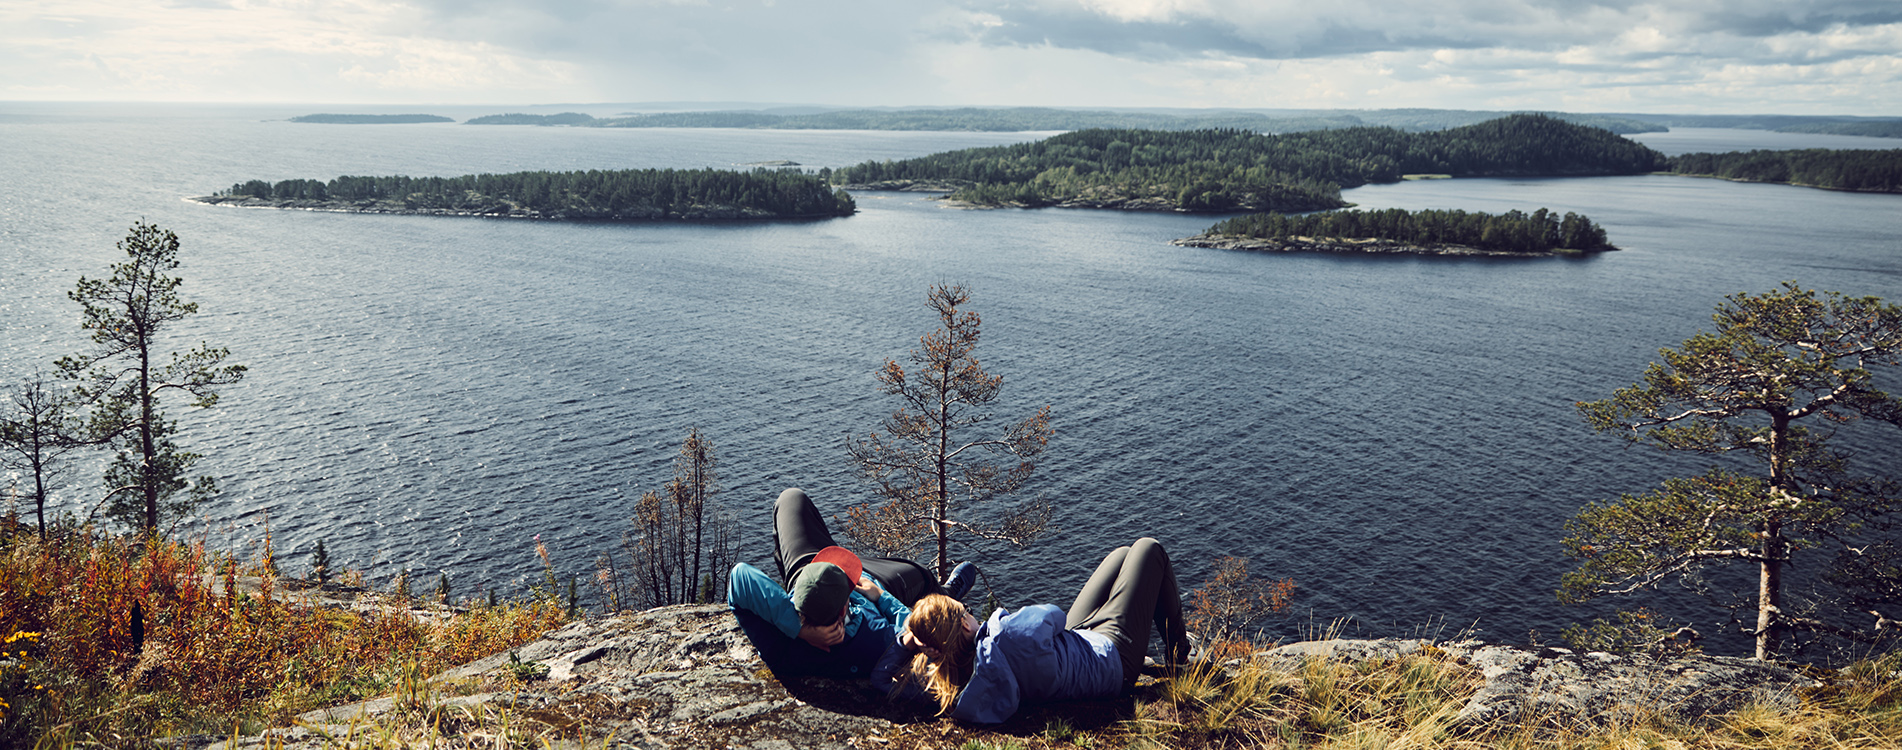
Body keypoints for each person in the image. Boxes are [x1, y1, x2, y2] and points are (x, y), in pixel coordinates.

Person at [885, 537, 1190, 723]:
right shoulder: (1007, 633)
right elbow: (1054, 617)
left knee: (1122, 556)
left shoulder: (947, 687)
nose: (970, 613)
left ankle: (1176, 651)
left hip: (1074, 650)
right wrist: (999, 622)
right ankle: (1180, 655)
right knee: (1148, 550)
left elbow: (880, 679)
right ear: (965, 622)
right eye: (967, 611)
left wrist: (908, 642)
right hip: (1112, 660)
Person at [728, 487, 978, 679]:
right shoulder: (874, 639)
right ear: (844, 609)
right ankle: (946, 594)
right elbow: (912, 626)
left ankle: (816, 584)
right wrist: (880, 596)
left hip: (809, 576)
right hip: (873, 583)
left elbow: (740, 575)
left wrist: (799, 629)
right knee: (920, 574)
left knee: (791, 498)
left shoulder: (778, 641)